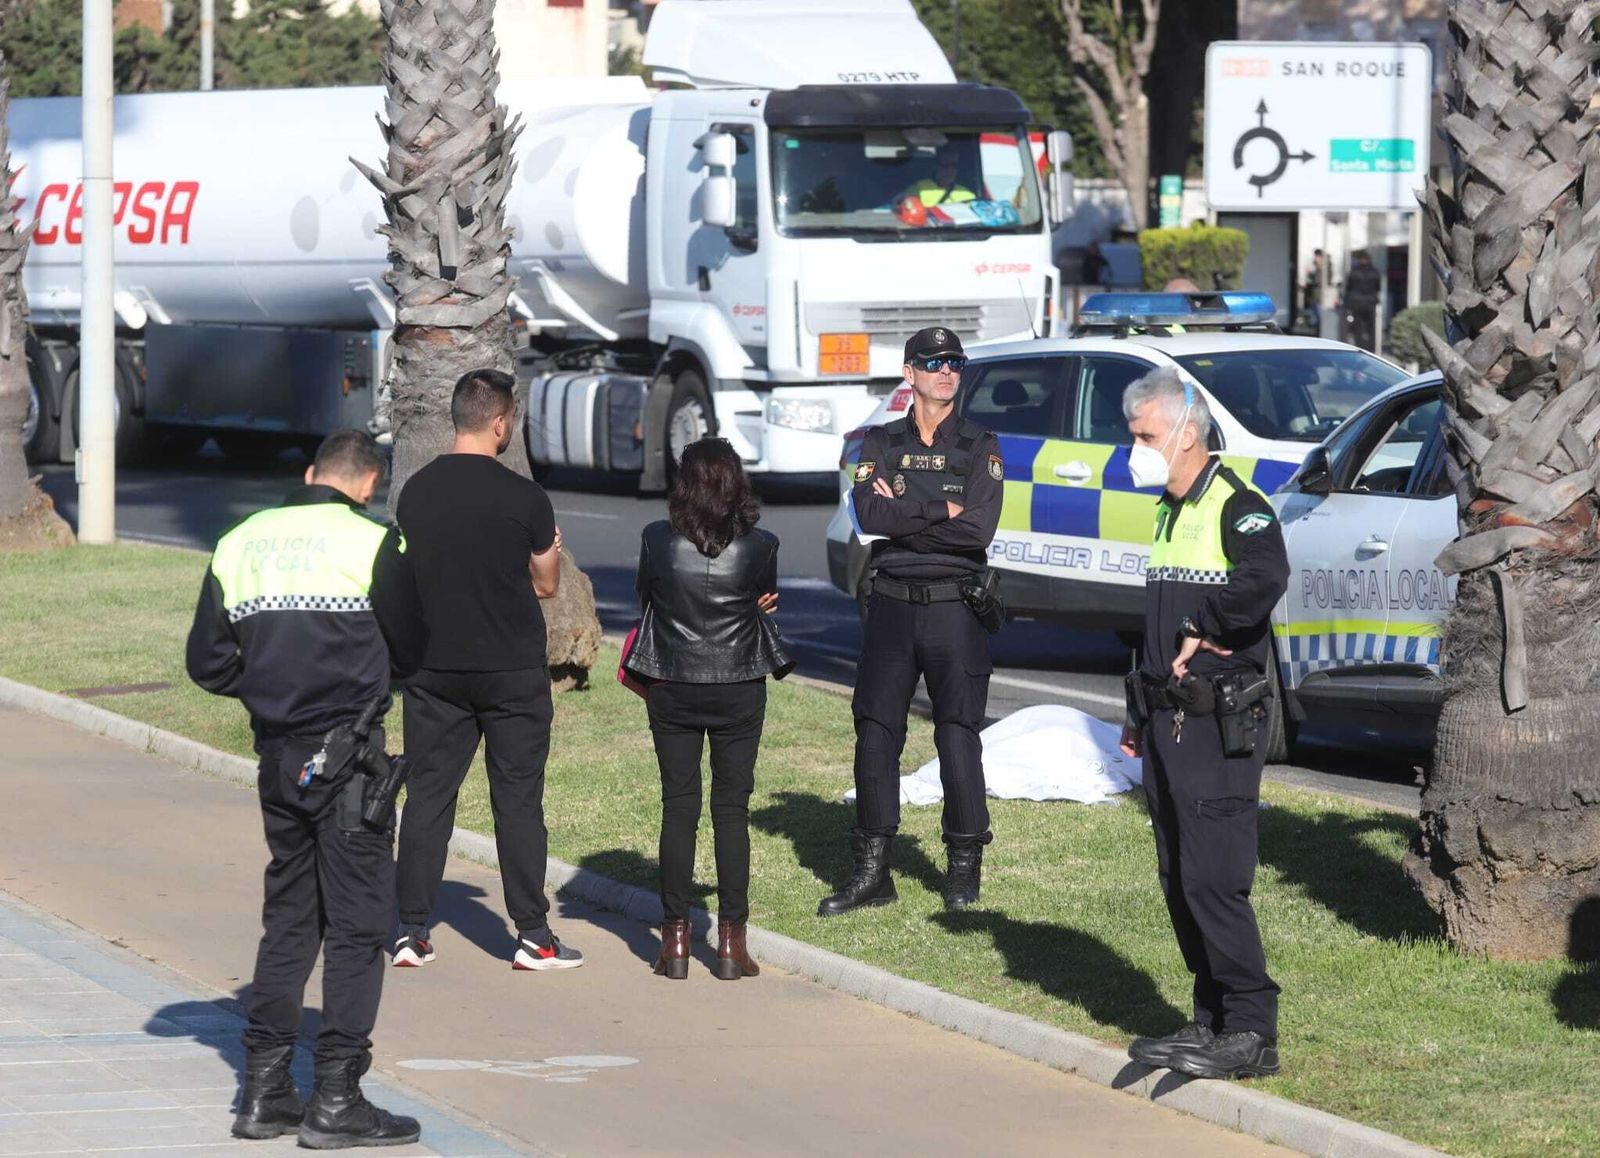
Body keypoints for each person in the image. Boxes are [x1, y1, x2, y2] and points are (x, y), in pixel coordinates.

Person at [186, 430, 423, 1148]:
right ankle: (337, 1099)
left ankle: (263, 1092)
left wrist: (262, 688)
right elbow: (413, 648)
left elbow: (206, 661)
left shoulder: (240, 542)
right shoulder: (373, 542)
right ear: (368, 483)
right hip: (349, 761)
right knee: (355, 929)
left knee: (290, 918)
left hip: (279, 759)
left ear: (313, 472)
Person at [1117, 366, 1289, 1081]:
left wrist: (1205, 623)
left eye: (1146, 435)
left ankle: (1250, 1028)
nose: (1136, 449)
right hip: (1166, 726)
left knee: (1214, 878)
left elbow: (1264, 578)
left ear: (1188, 433)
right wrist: (1135, 709)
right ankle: (1210, 1019)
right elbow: (1153, 632)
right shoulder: (1166, 508)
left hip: (1216, 727)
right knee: (1179, 877)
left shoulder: (1235, 505)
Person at [391, 368, 582, 972]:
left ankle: (412, 931)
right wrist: (543, 552)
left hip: (434, 669)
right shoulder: (525, 497)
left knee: (428, 799)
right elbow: (548, 587)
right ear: (501, 422)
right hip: (510, 673)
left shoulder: (415, 494)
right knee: (518, 800)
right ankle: (532, 935)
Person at [819, 326, 1003, 917]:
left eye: (954, 362)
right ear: (910, 372)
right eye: (934, 362)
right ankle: (873, 870)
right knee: (876, 732)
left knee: (957, 734)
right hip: (892, 603)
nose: (946, 371)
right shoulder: (881, 440)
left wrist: (909, 516)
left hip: (955, 604)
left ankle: (963, 865)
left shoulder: (980, 444)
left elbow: (977, 529)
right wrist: (936, 508)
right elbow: (869, 514)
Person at [623, 438, 792, 980]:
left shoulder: (656, 539)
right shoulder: (761, 544)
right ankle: (730, 942)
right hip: (740, 682)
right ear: (736, 482)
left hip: (672, 681)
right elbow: (763, 598)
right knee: (731, 810)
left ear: (685, 483)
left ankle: (673, 941)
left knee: (679, 805)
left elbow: (644, 599)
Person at [899, 145, 976, 208]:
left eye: (954, 165)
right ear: (936, 166)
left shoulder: (967, 194)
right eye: (946, 165)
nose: (950, 170)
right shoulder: (919, 188)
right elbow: (903, 206)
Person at [1343, 250, 1382, 352]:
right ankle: (1371, 350)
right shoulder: (1374, 272)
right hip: (1370, 302)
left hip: (1357, 302)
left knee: (1358, 328)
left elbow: (1349, 288)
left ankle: (1359, 348)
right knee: (1371, 328)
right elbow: (1378, 287)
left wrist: (1347, 304)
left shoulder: (1355, 271)